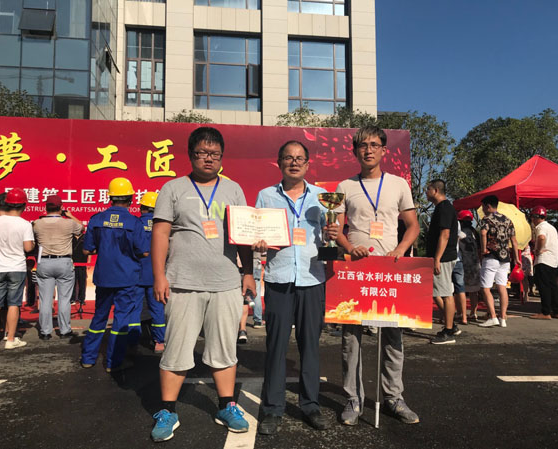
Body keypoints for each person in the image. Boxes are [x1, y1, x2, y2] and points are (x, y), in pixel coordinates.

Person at [150, 127, 256, 442]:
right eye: (202, 153)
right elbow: (160, 233)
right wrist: (159, 275)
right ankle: (167, 410)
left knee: (224, 349)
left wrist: (248, 272)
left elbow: (243, 235)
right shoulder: (173, 188)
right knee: (176, 349)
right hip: (182, 283)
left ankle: (226, 406)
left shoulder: (233, 189)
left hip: (226, 283)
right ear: (190, 154)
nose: (208, 159)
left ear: (221, 157)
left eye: (214, 154)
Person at [334, 126, 420, 425]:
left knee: (392, 337)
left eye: (374, 145)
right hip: (355, 270)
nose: (368, 150)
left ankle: (394, 397)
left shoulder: (398, 184)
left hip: (389, 270)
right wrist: (349, 247)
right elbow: (336, 230)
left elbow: (413, 225)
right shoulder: (345, 186)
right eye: (362, 145)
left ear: (384, 150)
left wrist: (400, 250)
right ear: (355, 151)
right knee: (351, 338)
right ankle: (353, 398)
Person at [252, 140, 339, 435]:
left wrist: (332, 232)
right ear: (279, 163)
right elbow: (257, 232)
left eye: (300, 158)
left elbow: (329, 237)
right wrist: (258, 242)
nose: (294, 162)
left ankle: (311, 405)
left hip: (312, 278)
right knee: (276, 346)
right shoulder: (266, 196)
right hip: (278, 279)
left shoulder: (321, 197)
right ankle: (272, 409)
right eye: (288, 158)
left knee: (310, 346)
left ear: (308, 163)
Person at [79, 178, 149, 372]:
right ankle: (113, 362)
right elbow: (144, 252)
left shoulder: (96, 219)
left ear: (110, 197)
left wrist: (103, 248)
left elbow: (87, 250)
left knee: (99, 318)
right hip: (127, 277)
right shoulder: (133, 222)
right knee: (121, 320)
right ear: (130, 198)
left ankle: (88, 358)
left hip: (104, 277)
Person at [33, 194, 84, 339]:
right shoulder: (69, 223)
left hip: (44, 262)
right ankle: (65, 330)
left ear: (46, 207)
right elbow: (81, 228)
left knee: (45, 299)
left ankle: (45, 332)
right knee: (64, 299)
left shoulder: (37, 223)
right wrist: (70, 215)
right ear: (61, 207)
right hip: (63, 261)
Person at [0, 188, 34, 350]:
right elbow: (28, 247)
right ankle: (10, 339)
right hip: (17, 267)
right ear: (24, 205)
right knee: (13, 304)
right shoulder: (24, 224)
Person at [477, 195, 520, 328]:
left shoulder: (486, 219)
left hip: (491, 256)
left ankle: (493, 316)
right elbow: (514, 240)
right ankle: (503, 317)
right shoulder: (508, 220)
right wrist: (516, 258)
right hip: (505, 258)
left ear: (488, 206)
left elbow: (483, 233)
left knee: (485, 288)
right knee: (502, 286)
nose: (483, 209)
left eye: (483, 207)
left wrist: (483, 249)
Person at [425, 180, 459, 345]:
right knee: (438, 291)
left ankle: (449, 331)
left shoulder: (444, 208)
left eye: (428, 189)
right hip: (441, 256)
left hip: (443, 257)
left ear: (436, 190)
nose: (426, 192)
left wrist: (437, 258)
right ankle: (450, 324)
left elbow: (445, 234)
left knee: (445, 293)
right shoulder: (442, 208)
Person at [134, 191, 165, 354]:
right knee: (157, 309)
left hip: (137, 275)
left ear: (142, 208)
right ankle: (159, 341)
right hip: (156, 276)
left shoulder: (135, 224)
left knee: (135, 309)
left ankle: (133, 340)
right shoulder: (164, 227)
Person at [529, 206, 558, 319]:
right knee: (553, 286)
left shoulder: (540, 227)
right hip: (553, 260)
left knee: (544, 287)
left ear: (536, 217)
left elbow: (541, 238)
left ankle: (545, 312)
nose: (532, 220)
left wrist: (538, 250)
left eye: (532, 217)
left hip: (544, 260)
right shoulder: (551, 227)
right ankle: (557, 311)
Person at [457, 210, 481, 320]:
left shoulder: (459, 232)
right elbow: (479, 248)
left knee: (459, 289)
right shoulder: (474, 232)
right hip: (474, 263)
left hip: (462, 262)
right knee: (474, 290)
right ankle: (473, 312)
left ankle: (460, 312)